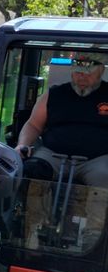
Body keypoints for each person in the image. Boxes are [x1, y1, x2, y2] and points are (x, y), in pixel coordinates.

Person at [16, 53, 108, 187]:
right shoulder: (54, 94)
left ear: (101, 71)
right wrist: (22, 144)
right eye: (78, 73)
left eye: (88, 74)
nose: (82, 77)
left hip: (97, 159)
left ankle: (94, 209)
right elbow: (33, 125)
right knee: (32, 171)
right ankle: (34, 208)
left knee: (104, 177)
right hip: (53, 155)